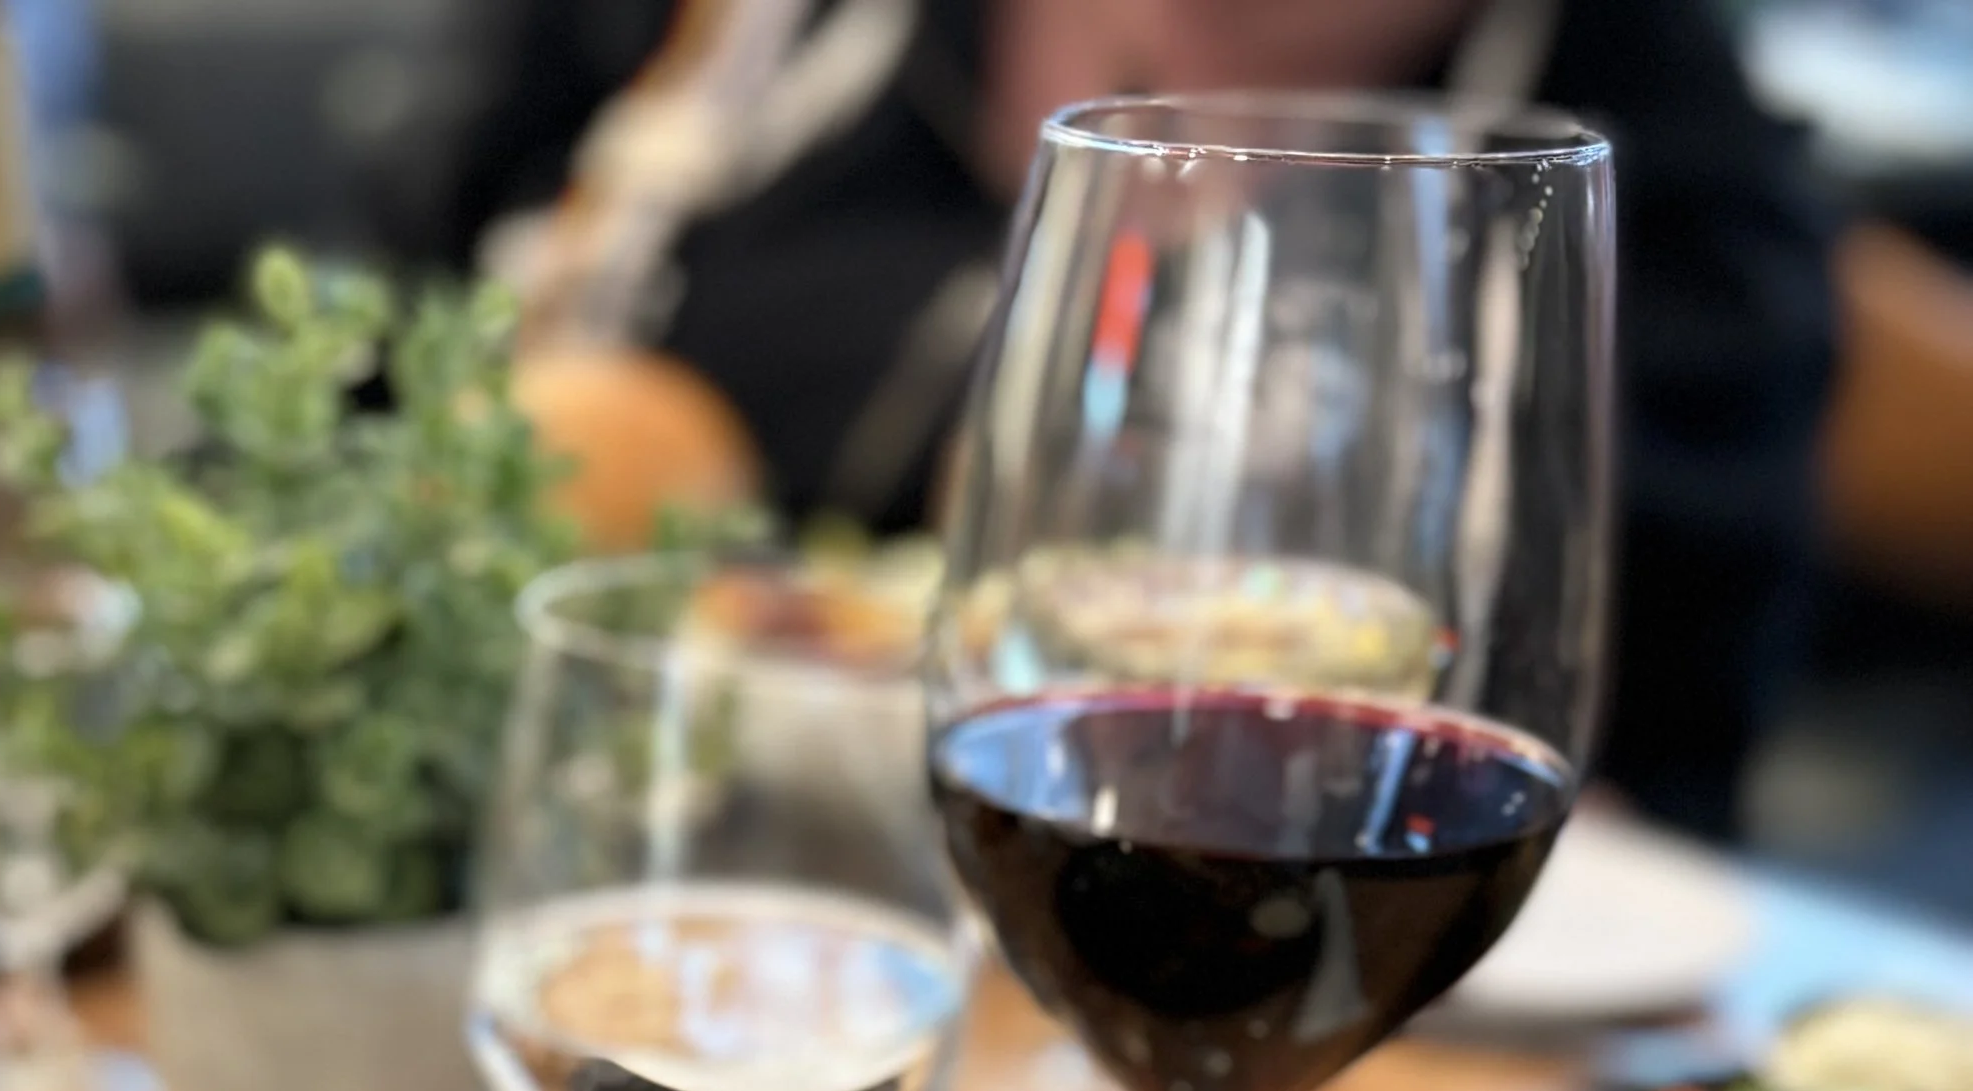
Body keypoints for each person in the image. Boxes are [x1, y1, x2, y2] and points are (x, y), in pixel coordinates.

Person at [455, 0, 1839, 835]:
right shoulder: (733, 42)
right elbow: (425, 329)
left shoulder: (1680, 198)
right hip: (646, 881)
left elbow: (1626, 789)